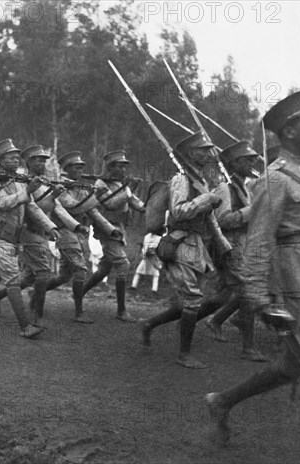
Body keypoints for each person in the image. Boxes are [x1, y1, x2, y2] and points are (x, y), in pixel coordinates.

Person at [205, 91, 300, 464]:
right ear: (289, 130)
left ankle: (222, 401)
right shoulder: (275, 180)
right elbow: (259, 241)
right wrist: (258, 298)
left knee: (293, 366)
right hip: (298, 286)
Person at [0, 139, 60, 339]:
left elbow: (32, 207)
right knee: (13, 279)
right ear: (1, 160)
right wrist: (27, 192)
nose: (16, 161)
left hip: (12, 238)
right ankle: (25, 326)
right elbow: (2, 203)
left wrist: (50, 226)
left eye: (17, 158)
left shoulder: (16, 181)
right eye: (12, 158)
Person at [139, 132, 222, 369]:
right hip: (179, 244)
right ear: (190, 154)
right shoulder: (181, 179)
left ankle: (149, 324)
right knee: (193, 299)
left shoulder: (200, 180)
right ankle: (184, 354)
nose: (208, 153)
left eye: (209, 149)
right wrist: (205, 200)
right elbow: (178, 212)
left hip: (196, 245)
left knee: (191, 299)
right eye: (203, 150)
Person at [0, 145, 81, 323]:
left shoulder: (42, 181)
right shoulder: (23, 181)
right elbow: (33, 207)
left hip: (40, 231)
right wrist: (51, 199)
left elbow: (47, 207)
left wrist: (54, 206)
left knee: (29, 276)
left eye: (44, 160)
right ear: (29, 162)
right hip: (28, 231)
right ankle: (36, 313)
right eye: (38, 160)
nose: (42, 164)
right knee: (43, 272)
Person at [203, 141, 267, 362]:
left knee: (230, 293)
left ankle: (209, 320)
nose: (253, 162)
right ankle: (248, 347)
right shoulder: (224, 188)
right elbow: (222, 220)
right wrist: (253, 210)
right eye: (248, 159)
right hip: (229, 245)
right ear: (235, 163)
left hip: (244, 244)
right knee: (247, 290)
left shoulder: (245, 188)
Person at [43, 150, 120, 323]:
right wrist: (96, 196)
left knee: (64, 276)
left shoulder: (81, 188)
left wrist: (110, 229)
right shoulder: (60, 187)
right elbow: (74, 206)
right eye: (76, 168)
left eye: (81, 168)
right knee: (80, 269)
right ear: (67, 169)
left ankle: (37, 292)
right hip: (63, 231)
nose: (79, 171)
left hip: (77, 234)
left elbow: (92, 211)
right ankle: (79, 312)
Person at [83, 150, 145, 322]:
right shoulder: (100, 184)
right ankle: (121, 311)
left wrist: (144, 206)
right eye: (120, 166)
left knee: (105, 268)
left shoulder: (118, 184)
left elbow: (133, 201)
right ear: (110, 167)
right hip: (106, 228)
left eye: (125, 166)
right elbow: (110, 204)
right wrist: (128, 191)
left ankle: (79, 293)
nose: (124, 170)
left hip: (119, 227)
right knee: (123, 265)